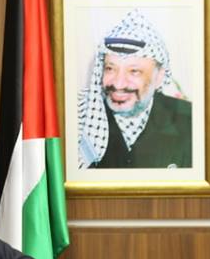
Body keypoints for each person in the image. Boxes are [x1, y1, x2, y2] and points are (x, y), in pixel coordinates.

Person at [77, 9, 192, 169]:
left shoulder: (191, 121)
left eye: (134, 71)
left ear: (159, 77)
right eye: (110, 68)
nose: (118, 84)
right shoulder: (80, 118)